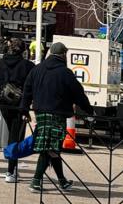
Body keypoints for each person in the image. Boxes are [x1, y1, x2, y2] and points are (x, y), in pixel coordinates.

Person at [20, 41, 93, 193]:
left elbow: (27, 90)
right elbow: (78, 94)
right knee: (49, 148)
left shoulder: (37, 69)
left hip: (40, 113)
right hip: (57, 114)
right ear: (63, 55)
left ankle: (62, 181)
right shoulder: (65, 73)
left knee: (52, 148)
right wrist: (89, 111)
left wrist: (24, 110)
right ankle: (36, 181)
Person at [0, 37, 34, 182]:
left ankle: (11, 170)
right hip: (20, 106)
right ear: (24, 51)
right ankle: (11, 170)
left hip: (4, 104)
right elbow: (32, 87)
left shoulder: (0, 63)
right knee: (16, 136)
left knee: (12, 134)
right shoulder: (28, 66)